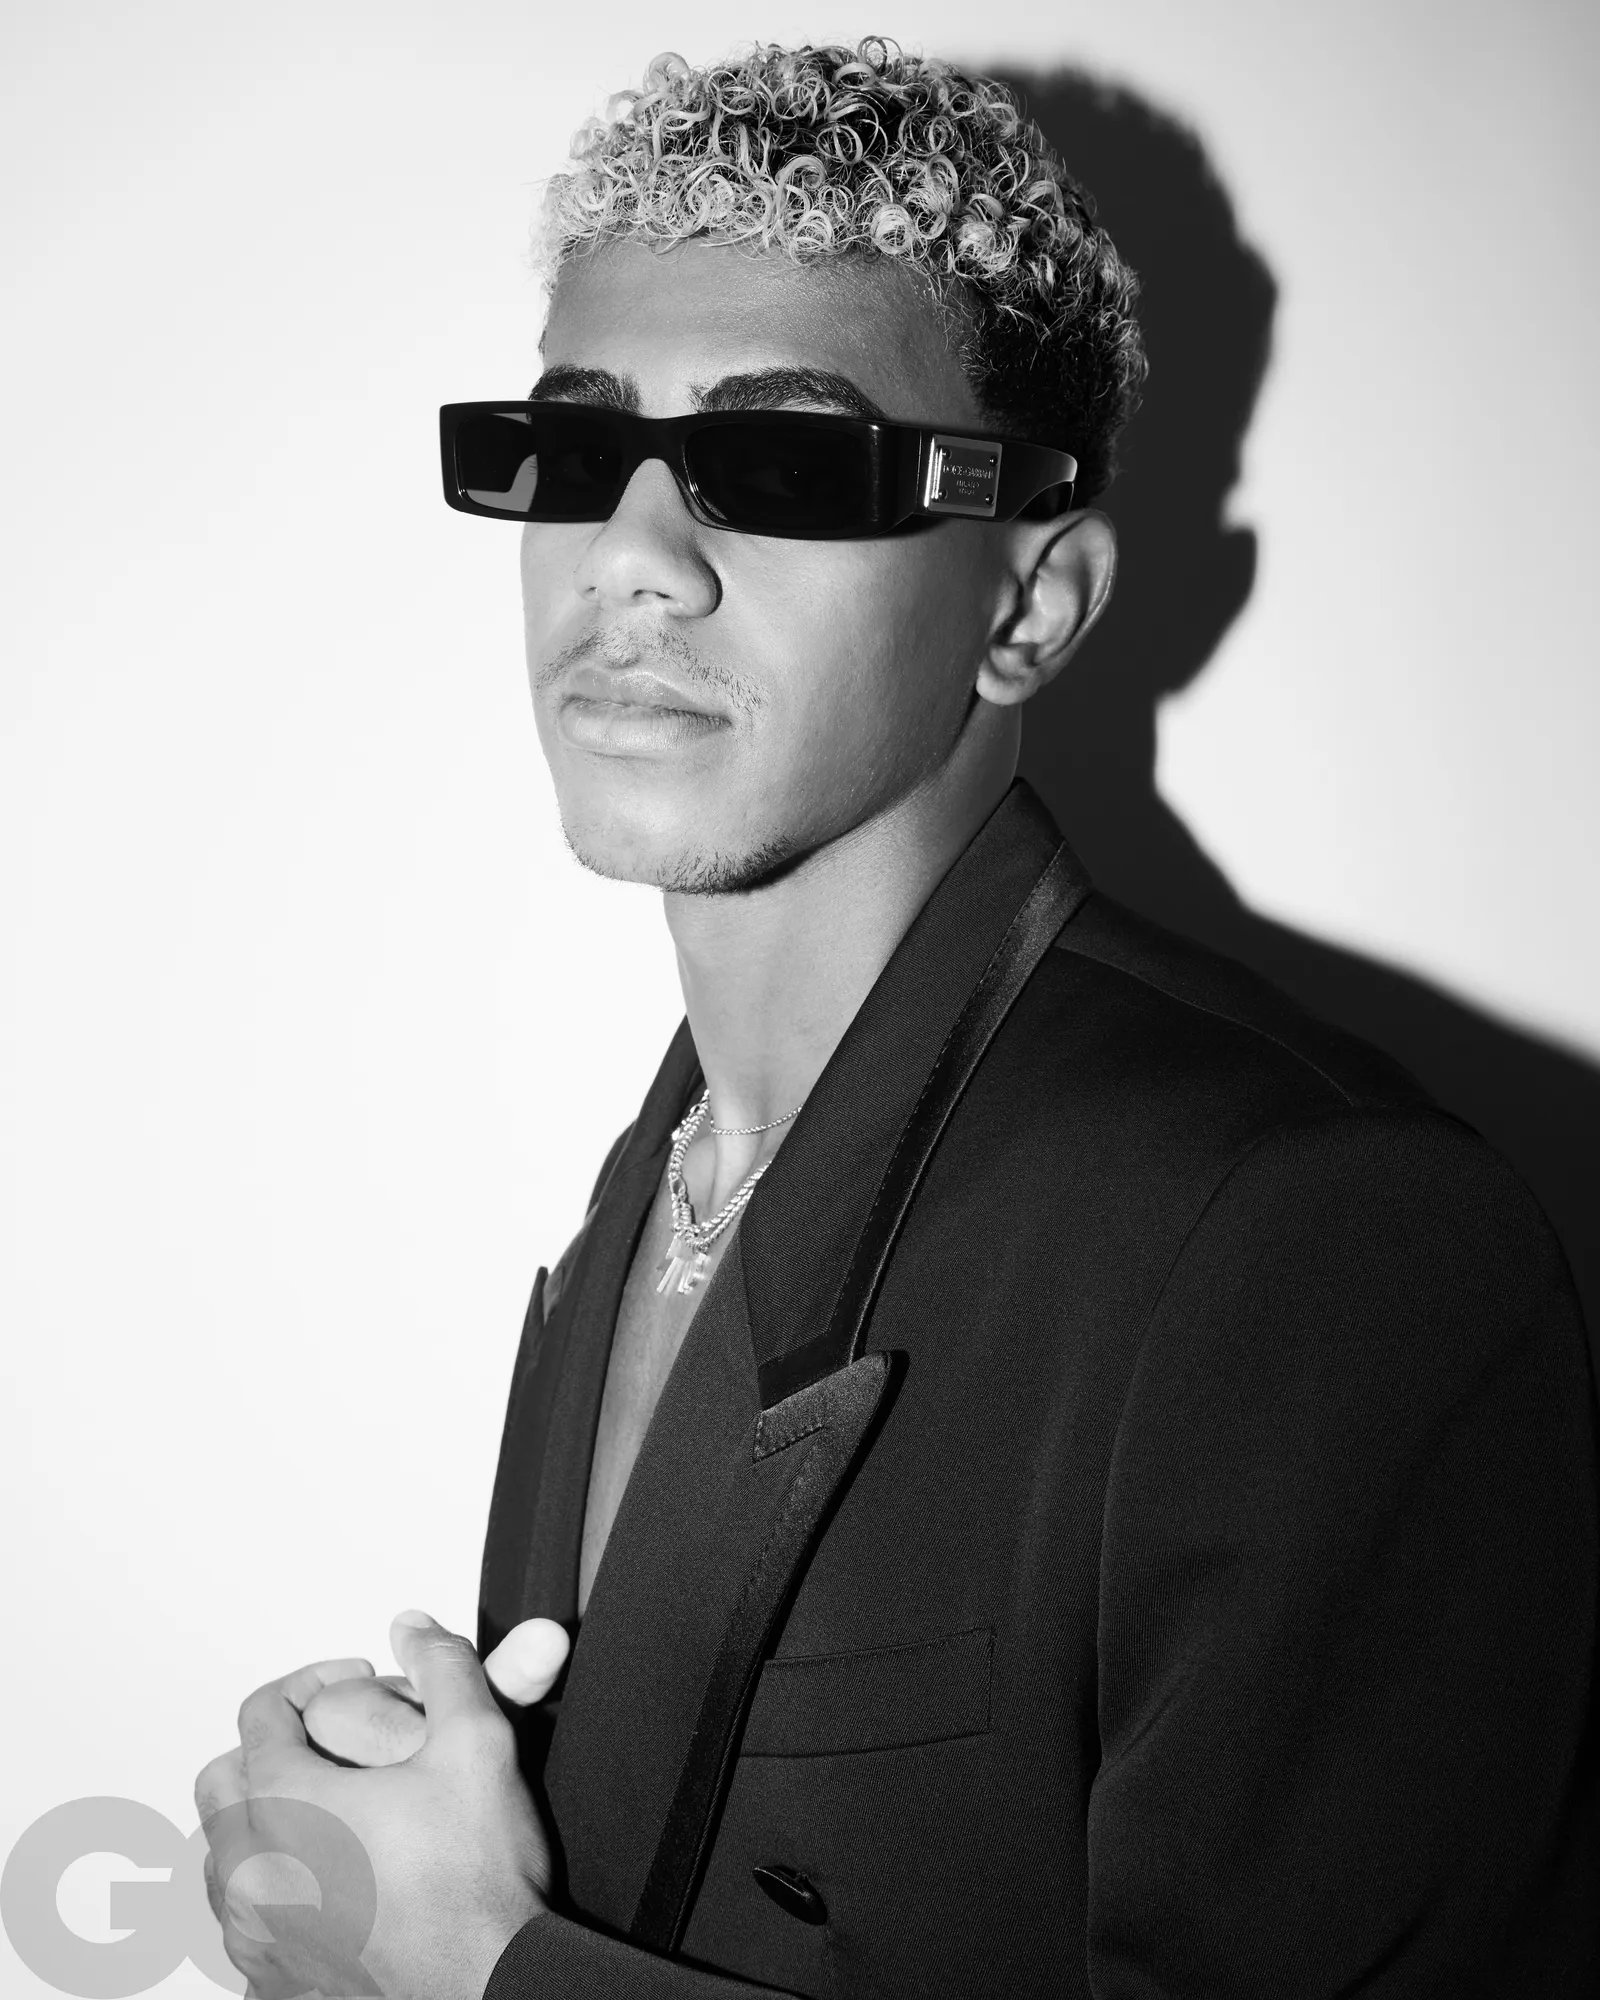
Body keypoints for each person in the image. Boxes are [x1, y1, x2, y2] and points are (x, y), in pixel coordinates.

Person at [194, 38, 1600, 1998]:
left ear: (1029, 605)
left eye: (786, 469)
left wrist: (477, 1968)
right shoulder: (648, 1187)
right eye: (576, 457)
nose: (631, 562)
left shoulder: (1325, 1245)